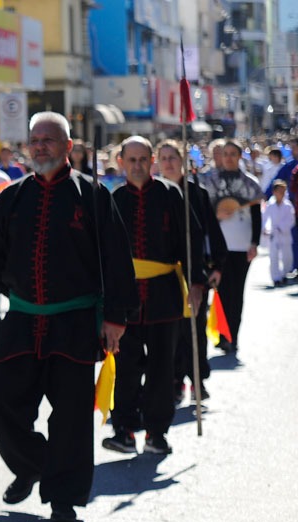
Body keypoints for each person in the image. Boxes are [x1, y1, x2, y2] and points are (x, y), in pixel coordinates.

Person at [0, 112, 137, 522]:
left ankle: (63, 496)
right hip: (23, 319)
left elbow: (117, 259)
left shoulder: (93, 195)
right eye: (35, 139)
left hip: (75, 322)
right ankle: (33, 466)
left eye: (49, 139)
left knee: (70, 415)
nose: (41, 146)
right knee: (4, 406)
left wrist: (115, 317)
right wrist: (14, 287)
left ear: (69, 146)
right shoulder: (11, 198)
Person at [102, 136, 201, 458]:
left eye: (143, 159)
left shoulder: (172, 194)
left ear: (152, 160)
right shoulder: (114, 199)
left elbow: (192, 242)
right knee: (126, 367)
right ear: (121, 162)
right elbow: (102, 253)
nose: (137, 165)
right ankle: (125, 430)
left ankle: (157, 433)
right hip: (125, 300)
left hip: (164, 296)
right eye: (131, 160)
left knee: (161, 369)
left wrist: (196, 283)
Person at [156, 140, 224, 404]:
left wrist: (217, 265)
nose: (169, 163)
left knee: (194, 327)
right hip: (163, 275)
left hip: (194, 271)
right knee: (170, 332)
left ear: (182, 160)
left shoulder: (198, 193)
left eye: (173, 157)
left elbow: (211, 233)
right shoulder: (154, 192)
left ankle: (197, 379)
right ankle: (174, 381)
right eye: (164, 158)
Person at [201, 139, 262, 353]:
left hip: (241, 245)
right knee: (220, 292)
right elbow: (202, 215)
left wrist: (255, 243)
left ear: (239, 156)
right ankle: (220, 335)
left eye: (232, 153)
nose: (228, 157)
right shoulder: (209, 182)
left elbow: (256, 215)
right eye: (225, 153)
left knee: (236, 294)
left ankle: (232, 336)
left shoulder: (250, 183)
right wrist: (216, 215)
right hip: (218, 248)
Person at [264, 179, 294, 287]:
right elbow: (265, 218)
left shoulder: (288, 205)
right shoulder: (270, 205)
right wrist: (266, 229)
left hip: (285, 234)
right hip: (274, 235)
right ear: (274, 192)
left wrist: (282, 227)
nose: (281, 194)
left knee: (287, 257)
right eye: (279, 191)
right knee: (274, 257)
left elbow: (291, 219)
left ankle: (284, 274)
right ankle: (276, 278)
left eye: (283, 191)